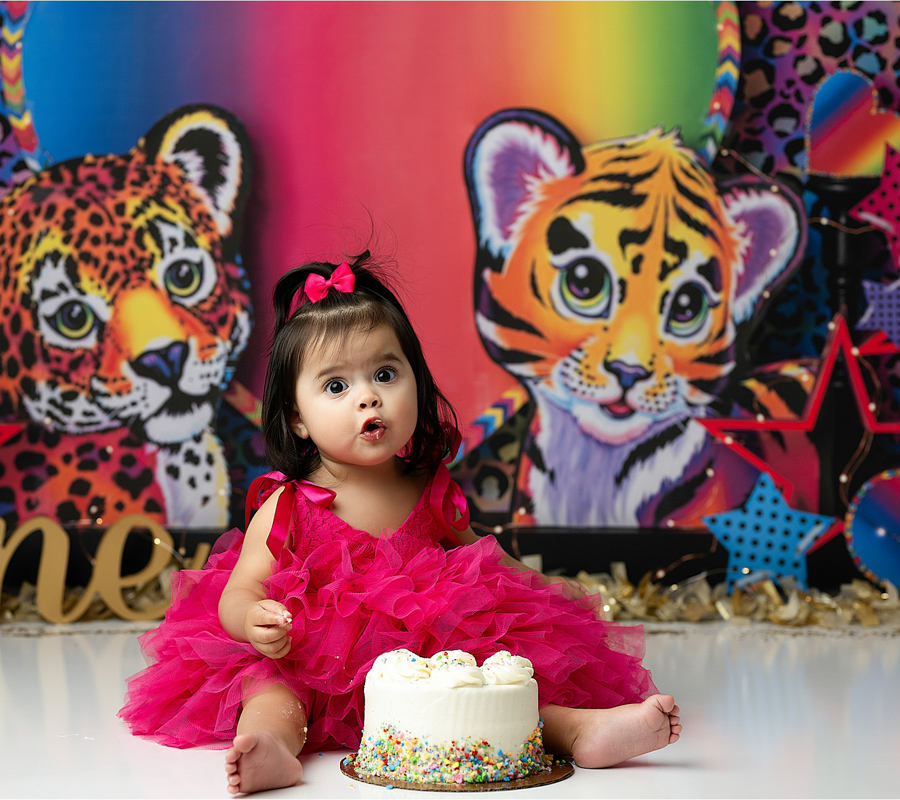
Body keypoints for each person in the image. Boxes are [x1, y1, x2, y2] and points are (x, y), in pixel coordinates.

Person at [120, 254, 681, 795]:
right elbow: (239, 587)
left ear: (417, 378)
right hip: (315, 656)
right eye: (336, 386)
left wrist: (546, 589)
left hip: (433, 657)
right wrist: (252, 617)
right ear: (297, 417)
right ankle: (272, 745)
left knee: (496, 683)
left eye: (385, 373)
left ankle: (577, 730)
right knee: (269, 687)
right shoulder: (290, 504)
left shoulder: (429, 488)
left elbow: (485, 558)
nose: (369, 396)